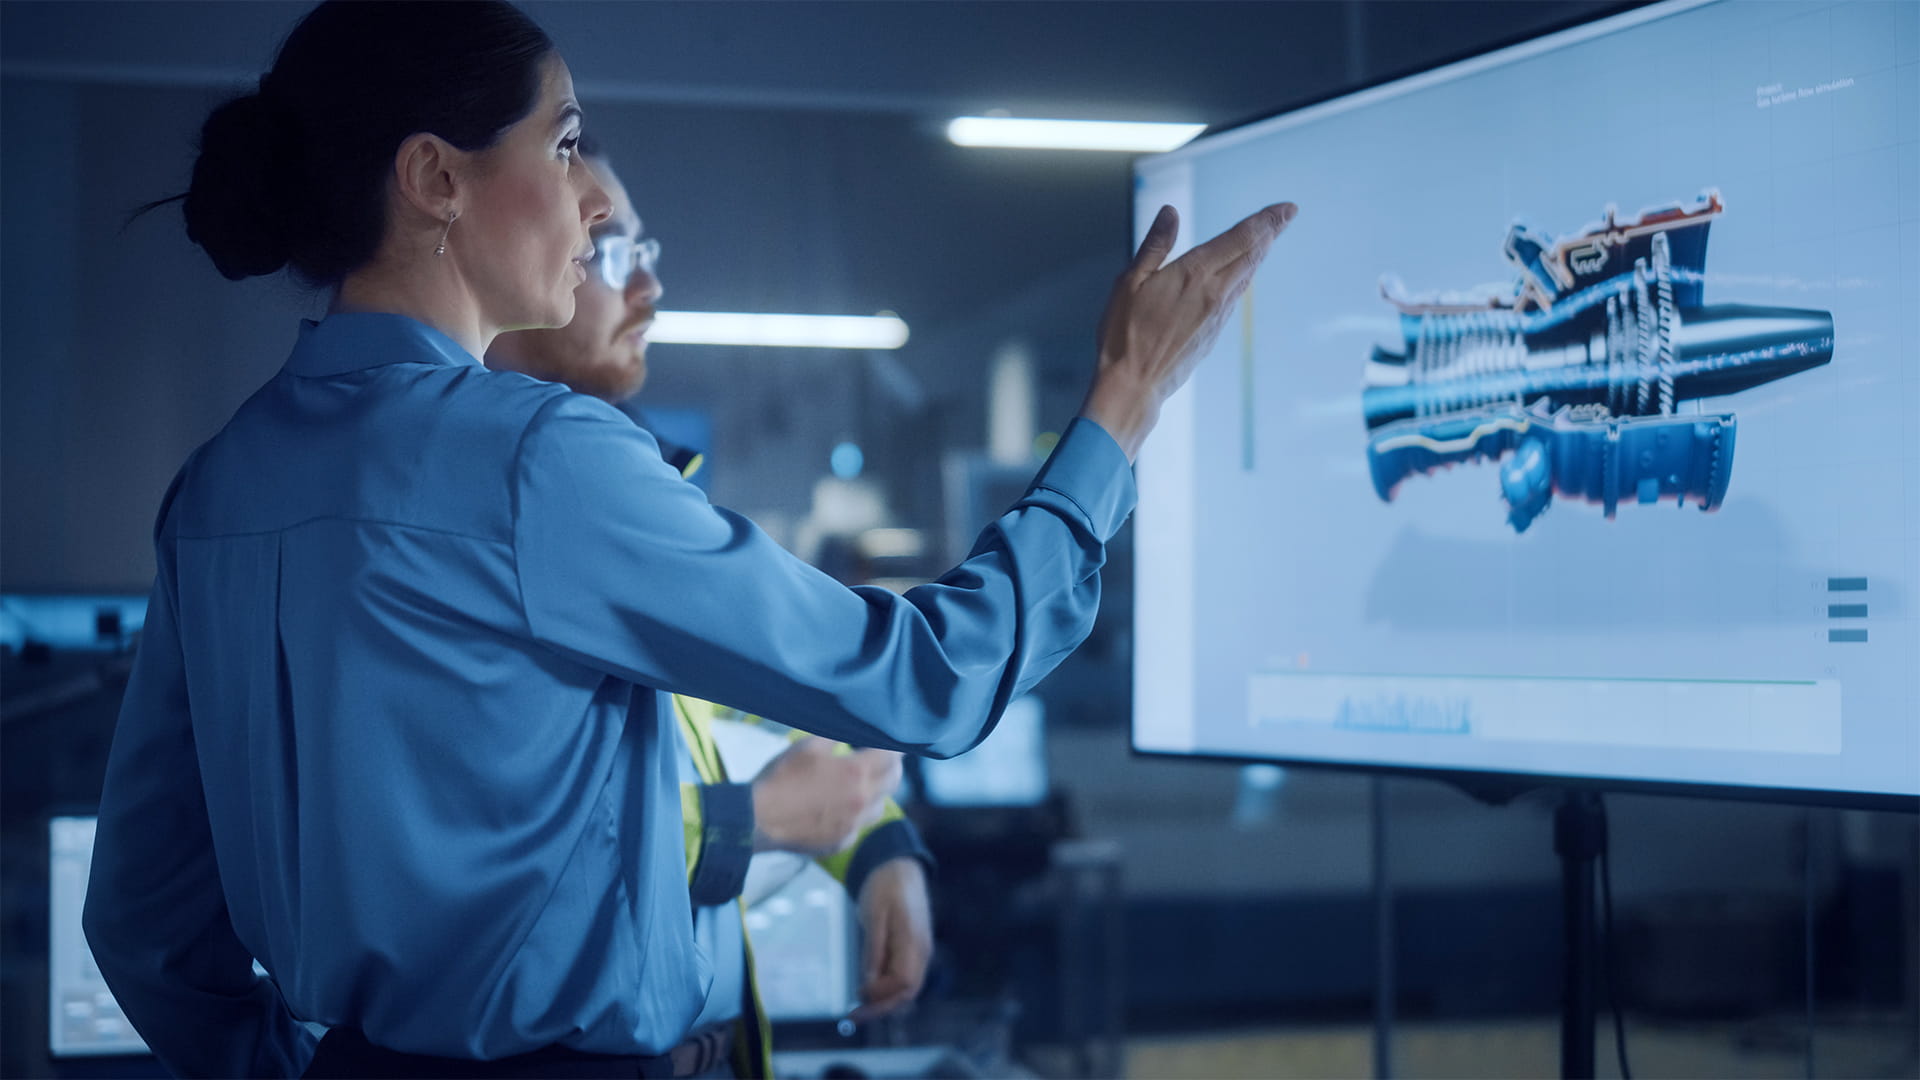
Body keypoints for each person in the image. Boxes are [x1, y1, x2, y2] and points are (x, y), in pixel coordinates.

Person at [81, 1, 1296, 1076]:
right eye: (562, 146)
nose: (586, 198)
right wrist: (1122, 404)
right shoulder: (538, 456)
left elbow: (143, 918)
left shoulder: (216, 489)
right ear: (436, 179)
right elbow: (922, 674)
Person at [486, 141, 936, 1078]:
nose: (649, 289)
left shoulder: (637, 511)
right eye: (611, 255)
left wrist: (878, 845)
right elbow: (500, 855)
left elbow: (751, 720)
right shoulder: (476, 521)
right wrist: (752, 821)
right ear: (529, 269)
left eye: (648, 254)